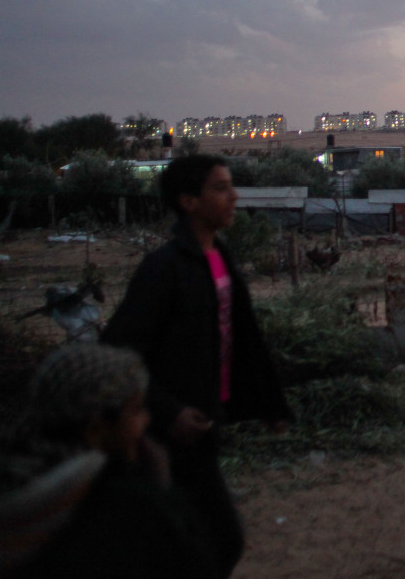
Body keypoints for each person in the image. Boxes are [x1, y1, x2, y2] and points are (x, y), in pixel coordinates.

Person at [101, 154, 291, 578]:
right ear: (188, 201)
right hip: (163, 436)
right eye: (220, 188)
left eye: (230, 185)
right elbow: (116, 350)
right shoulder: (164, 268)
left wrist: (269, 404)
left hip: (204, 422)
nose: (233, 196)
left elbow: (243, 338)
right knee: (217, 542)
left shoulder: (219, 259)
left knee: (197, 545)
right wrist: (168, 411)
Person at [0, 344, 215, 579]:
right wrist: (164, 492)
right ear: (96, 428)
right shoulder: (127, 509)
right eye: (137, 411)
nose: (147, 420)